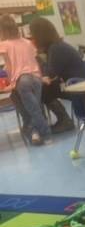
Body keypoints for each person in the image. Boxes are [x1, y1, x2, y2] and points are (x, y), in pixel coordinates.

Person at [29, 17, 85, 133]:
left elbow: (50, 73)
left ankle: (64, 120)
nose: (32, 39)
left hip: (79, 86)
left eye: (33, 35)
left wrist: (38, 57)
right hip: (75, 82)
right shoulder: (56, 46)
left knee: (43, 90)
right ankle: (62, 120)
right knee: (43, 88)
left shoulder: (56, 48)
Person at [0, 14, 51, 145]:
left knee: (31, 108)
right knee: (35, 107)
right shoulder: (28, 42)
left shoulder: (4, 44)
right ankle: (35, 133)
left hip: (22, 80)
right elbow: (35, 61)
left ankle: (45, 135)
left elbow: (10, 66)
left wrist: (11, 82)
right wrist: (41, 77)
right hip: (36, 78)